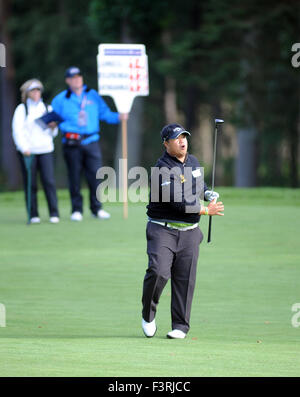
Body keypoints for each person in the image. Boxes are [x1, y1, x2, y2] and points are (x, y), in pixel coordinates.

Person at [141, 123, 224, 339]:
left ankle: (180, 326)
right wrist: (206, 210)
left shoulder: (193, 162)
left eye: (184, 136)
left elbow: (198, 186)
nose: (182, 141)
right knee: (158, 272)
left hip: (190, 232)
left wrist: (207, 193)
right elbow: (177, 202)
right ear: (166, 143)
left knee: (185, 279)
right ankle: (148, 315)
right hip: (162, 229)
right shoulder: (161, 168)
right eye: (177, 138)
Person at [51, 66, 127, 221]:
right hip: (71, 142)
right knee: (74, 176)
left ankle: (97, 208)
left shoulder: (92, 95)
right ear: (67, 80)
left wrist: (119, 117)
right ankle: (76, 210)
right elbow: (52, 118)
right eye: (72, 77)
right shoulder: (60, 99)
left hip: (91, 141)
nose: (76, 79)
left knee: (95, 175)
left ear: (82, 78)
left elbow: (105, 114)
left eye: (78, 76)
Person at [12, 79, 60, 224]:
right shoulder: (22, 109)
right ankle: (33, 214)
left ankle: (54, 213)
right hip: (29, 151)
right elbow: (17, 131)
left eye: (38, 90)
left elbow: (54, 132)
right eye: (33, 90)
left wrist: (53, 127)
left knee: (49, 181)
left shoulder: (47, 108)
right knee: (30, 183)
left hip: (45, 149)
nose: (36, 93)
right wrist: (23, 148)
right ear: (27, 93)